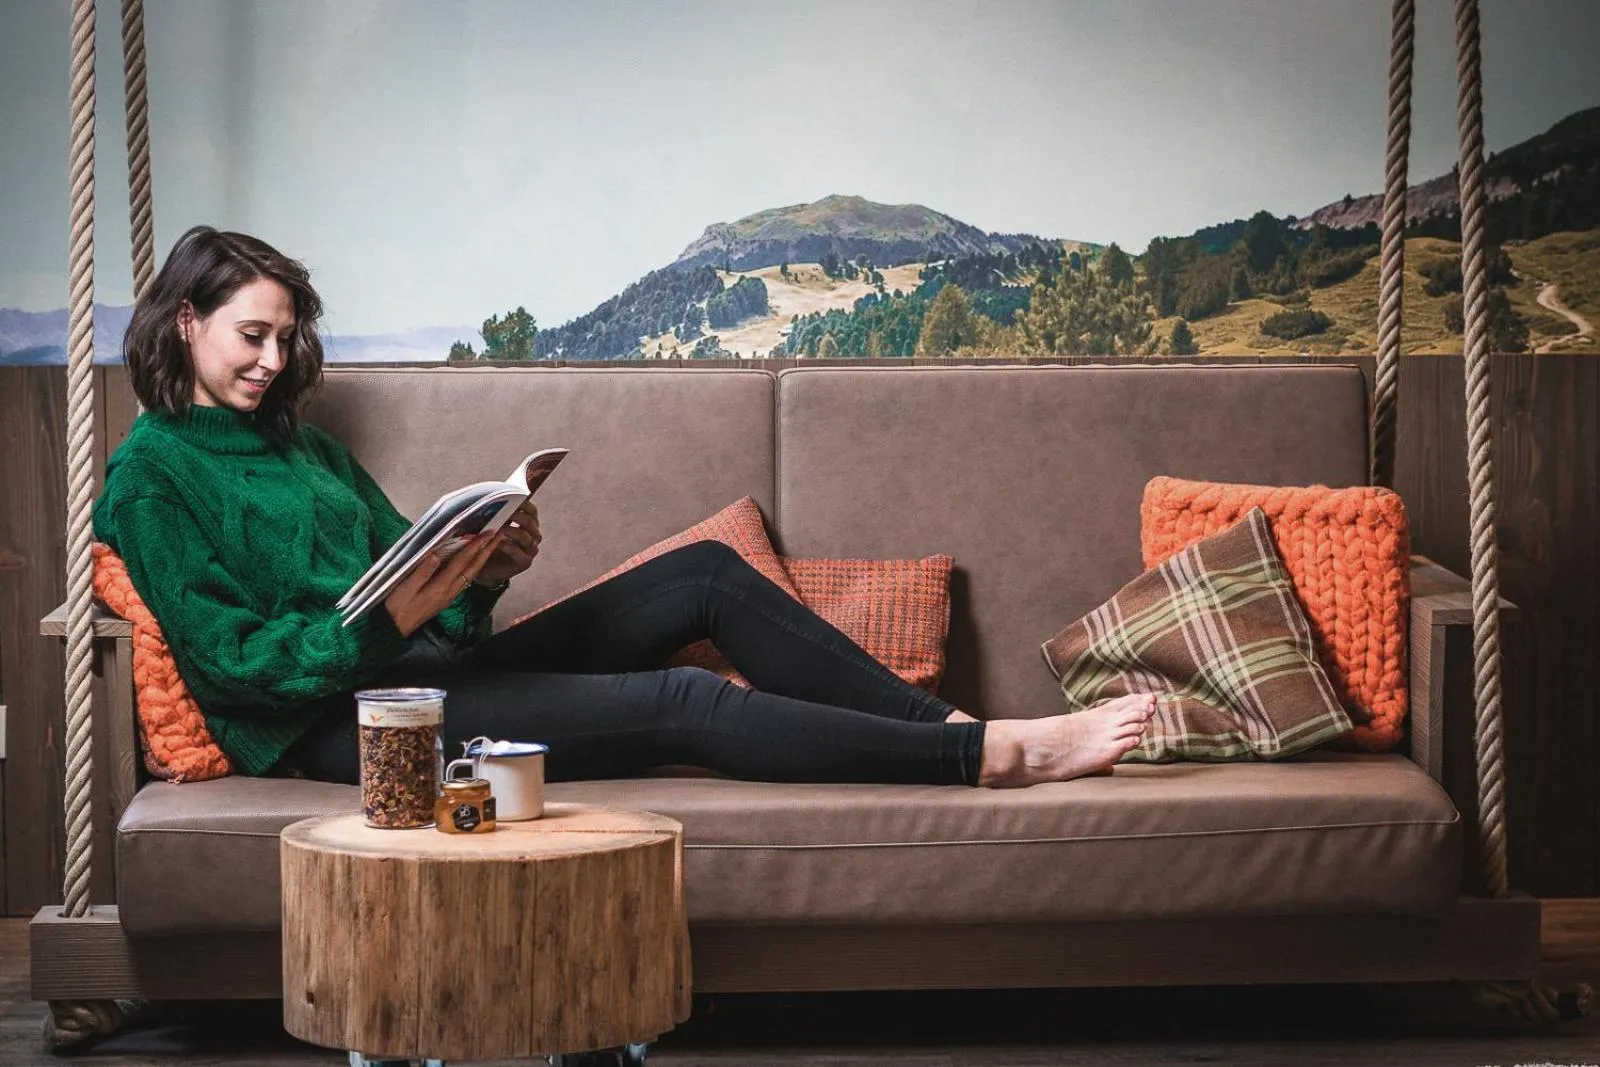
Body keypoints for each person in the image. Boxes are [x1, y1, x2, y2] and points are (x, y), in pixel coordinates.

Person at [93, 226, 1155, 790]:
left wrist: (479, 569)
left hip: (417, 670)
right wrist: (392, 623)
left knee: (703, 576)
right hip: (343, 725)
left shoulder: (308, 447)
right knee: (683, 704)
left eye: (286, 339)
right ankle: (996, 756)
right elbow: (234, 665)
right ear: (186, 322)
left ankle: (945, 725)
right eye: (251, 337)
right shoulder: (150, 476)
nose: (275, 362)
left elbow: (424, 603)